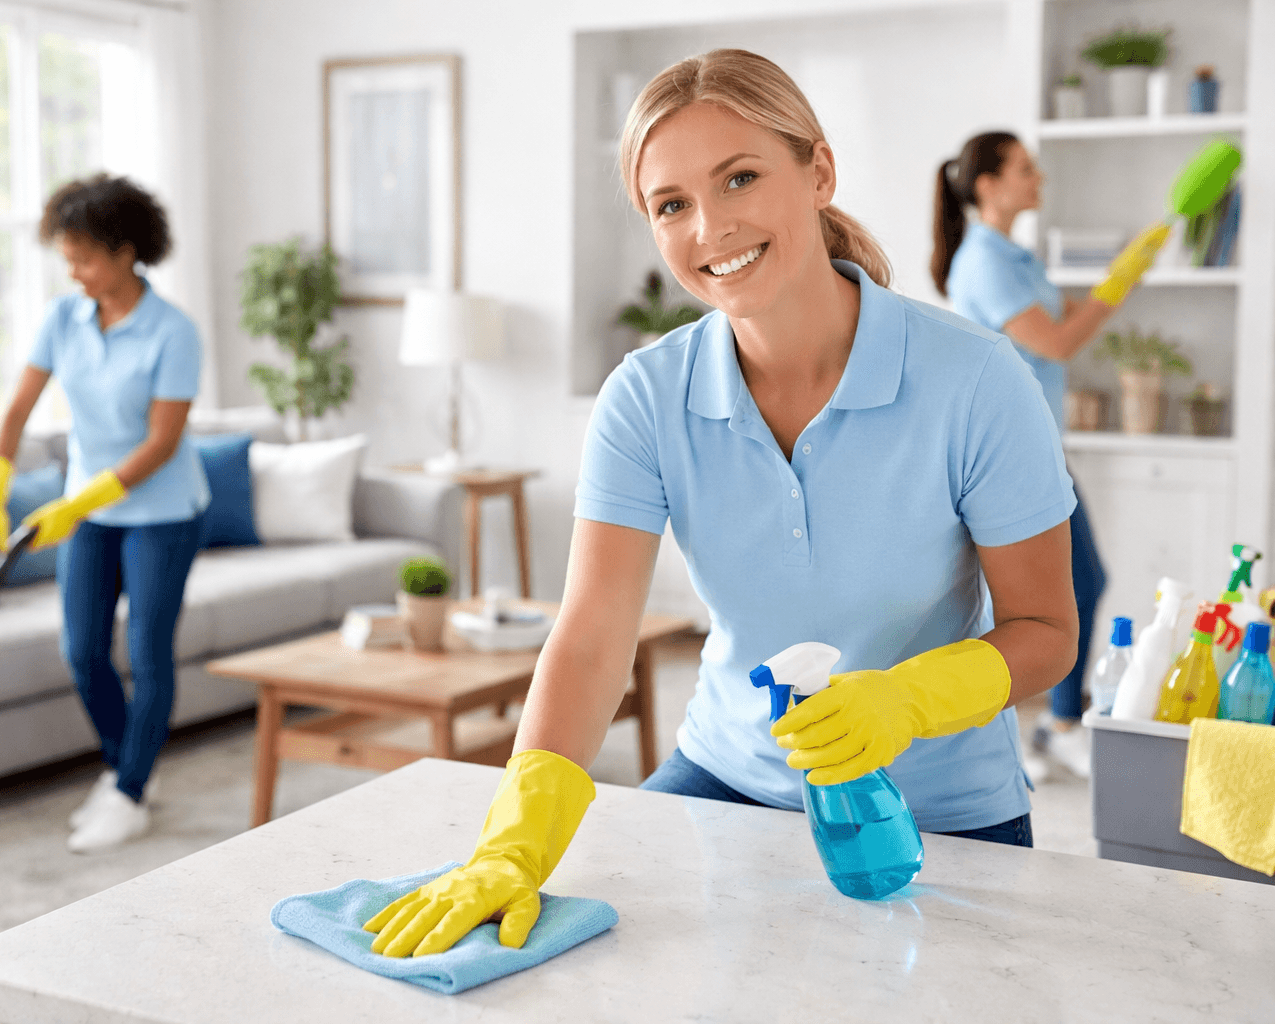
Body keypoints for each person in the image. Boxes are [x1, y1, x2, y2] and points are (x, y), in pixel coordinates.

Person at [360, 48, 1100, 961]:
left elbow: (1045, 628)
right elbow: (592, 635)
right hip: (726, 776)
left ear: (818, 171)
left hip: (939, 812)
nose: (710, 226)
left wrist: (908, 701)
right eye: (671, 204)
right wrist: (512, 841)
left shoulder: (978, 381)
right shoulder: (645, 397)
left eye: (740, 177)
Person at [0, 173, 209, 854]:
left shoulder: (174, 332)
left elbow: (162, 443)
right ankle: (127, 768)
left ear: (126, 250)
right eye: (66, 258)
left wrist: (78, 503)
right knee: (80, 650)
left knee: (147, 652)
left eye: (83, 257)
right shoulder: (63, 318)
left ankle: (129, 793)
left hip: (162, 510)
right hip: (90, 512)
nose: (72, 272)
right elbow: (16, 410)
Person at [933, 132, 1160, 781]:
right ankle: (1040, 727)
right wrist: (1120, 282)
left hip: (1036, 446)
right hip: (1008, 451)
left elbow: (1050, 332)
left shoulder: (1013, 255)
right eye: (1025, 170)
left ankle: (1054, 723)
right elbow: (1056, 342)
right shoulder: (985, 260)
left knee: (1079, 583)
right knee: (1067, 587)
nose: (1039, 179)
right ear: (988, 185)